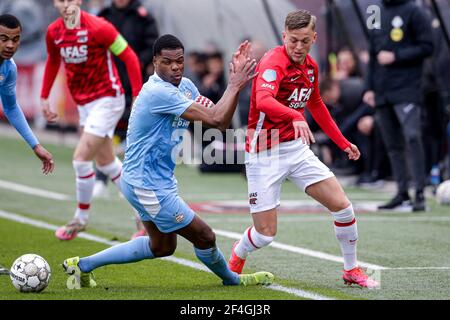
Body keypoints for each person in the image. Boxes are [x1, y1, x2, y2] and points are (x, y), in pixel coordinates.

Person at [61, 34, 274, 288]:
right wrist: (235, 84)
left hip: (149, 180)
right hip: (147, 185)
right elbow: (217, 119)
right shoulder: (157, 93)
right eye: (167, 61)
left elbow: (220, 120)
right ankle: (232, 280)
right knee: (205, 236)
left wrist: (233, 84)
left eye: (180, 61)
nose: (175, 66)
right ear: (155, 62)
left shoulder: (184, 86)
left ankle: (81, 265)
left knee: (162, 246)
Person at [228, 10, 379, 288]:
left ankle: (351, 270)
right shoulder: (273, 62)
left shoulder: (311, 65)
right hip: (264, 153)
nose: (298, 47)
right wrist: (294, 116)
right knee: (264, 236)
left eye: (305, 41)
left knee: (344, 208)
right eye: (293, 40)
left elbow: (316, 104)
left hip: (295, 150)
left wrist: (343, 143)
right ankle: (237, 256)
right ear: (284, 36)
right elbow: (262, 100)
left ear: (314, 38)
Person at [40, 0, 143, 241]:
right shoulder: (53, 32)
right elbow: (53, 61)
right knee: (107, 163)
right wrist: (44, 96)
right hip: (85, 104)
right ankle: (144, 216)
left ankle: (80, 219)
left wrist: (137, 94)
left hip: (107, 99)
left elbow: (128, 55)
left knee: (80, 159)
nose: (66, 4)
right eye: (61, 0)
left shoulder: (100, 27)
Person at [363, 0, 433, 211]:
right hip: (382, 90)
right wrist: (369, 87)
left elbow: (428, 46)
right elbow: (373, 53)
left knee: (412, 136)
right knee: (392, 144)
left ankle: (419, 192)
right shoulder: (375, 11)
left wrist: (397, 56)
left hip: (407, 87)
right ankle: (401, 193)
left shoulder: (415, 11)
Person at [94, 0, 159, 201]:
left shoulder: (143, 16)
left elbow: (153, 44)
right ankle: (100, 178)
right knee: (104, 130)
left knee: (136, 131)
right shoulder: (103, 15)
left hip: (135, 81)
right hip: (108, 81)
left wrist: (139, 62)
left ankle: (133, 181)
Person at [0, 14, 54, 175]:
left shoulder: (9, 69)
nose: (10, 45)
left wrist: (35, 145)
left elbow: (10, 108)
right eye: (3, 39)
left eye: (15, 39)